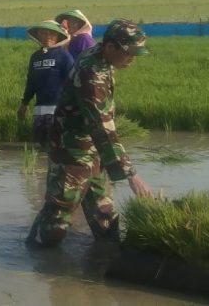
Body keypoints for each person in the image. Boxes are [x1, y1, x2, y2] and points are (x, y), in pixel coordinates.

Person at [27, 19, 154, 248]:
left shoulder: (101, 55)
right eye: (128, 53)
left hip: (92, 148)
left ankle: (109, 254)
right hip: (72, 150)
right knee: (58, 215)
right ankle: (36, 258)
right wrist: (131, 175)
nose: (131, 60)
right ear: (111, 47)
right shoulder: (91, 73)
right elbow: (102, 128)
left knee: (102, 210)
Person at [16, 21, 74, 151]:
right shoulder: (35, 57)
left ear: (58, 37)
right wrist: (24, 104)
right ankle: (43, 171)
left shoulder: (64, 56)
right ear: (38, 36)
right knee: (42, 146)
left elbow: (74, 81)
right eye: (43, 33)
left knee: (58, 146)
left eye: (52, 34)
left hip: (58, 110)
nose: (48, 37)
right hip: (40, 110)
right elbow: (31, 83)